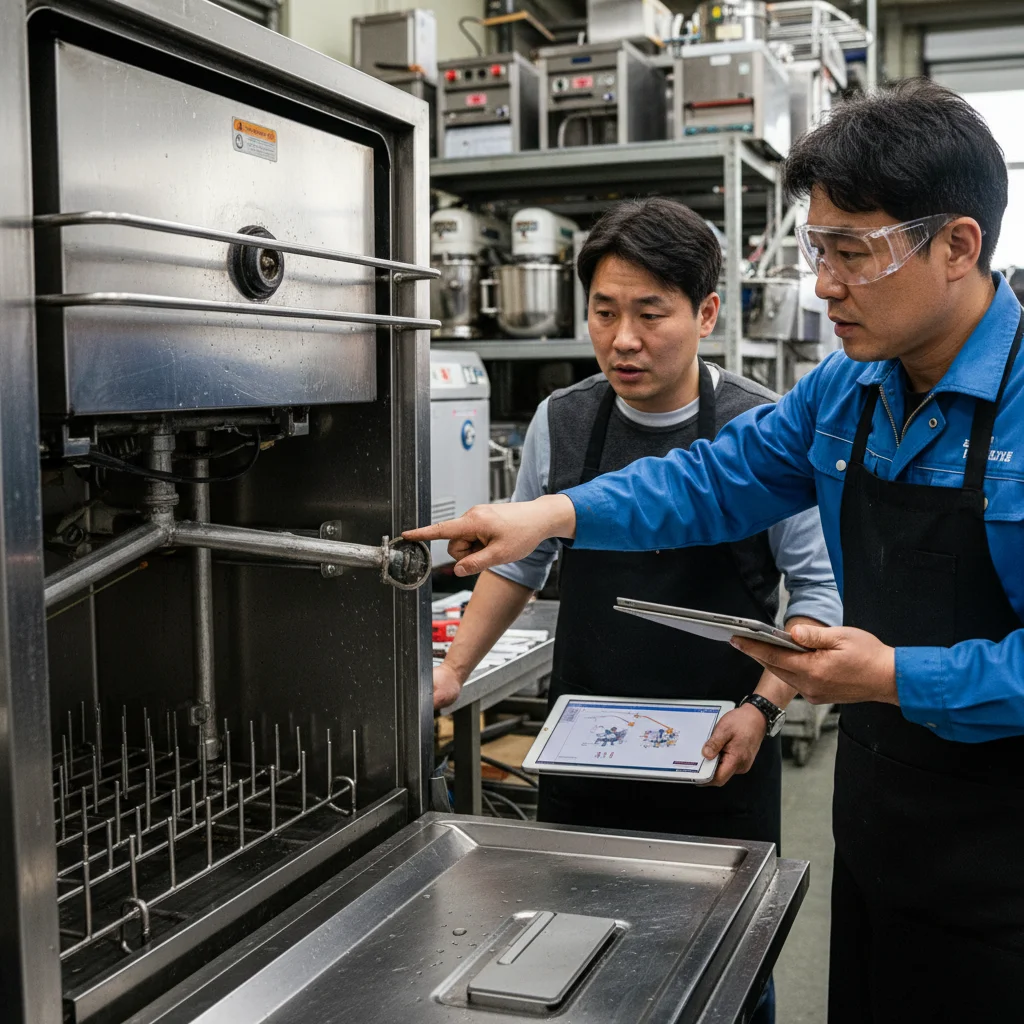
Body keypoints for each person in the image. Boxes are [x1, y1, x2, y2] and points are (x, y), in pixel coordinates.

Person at [408, 80, 1024, 1023]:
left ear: (958, 245)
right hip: (881, 821)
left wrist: (893, 675)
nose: (824, 286)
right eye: (818, 250)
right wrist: (551, 515)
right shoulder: (847, 392)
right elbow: (707, 480)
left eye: (853, 252)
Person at [428, 198, 841, 1024]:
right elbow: (522, 561)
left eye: (651, 314)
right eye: (604, 312)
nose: (623, 339)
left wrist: (763, 708)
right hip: (585, 761)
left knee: (726, 982)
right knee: (571, 971)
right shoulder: (565, 420)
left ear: (706, 313)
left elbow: (818, 594)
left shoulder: (762, 429)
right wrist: (453, 672)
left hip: (722, 758)